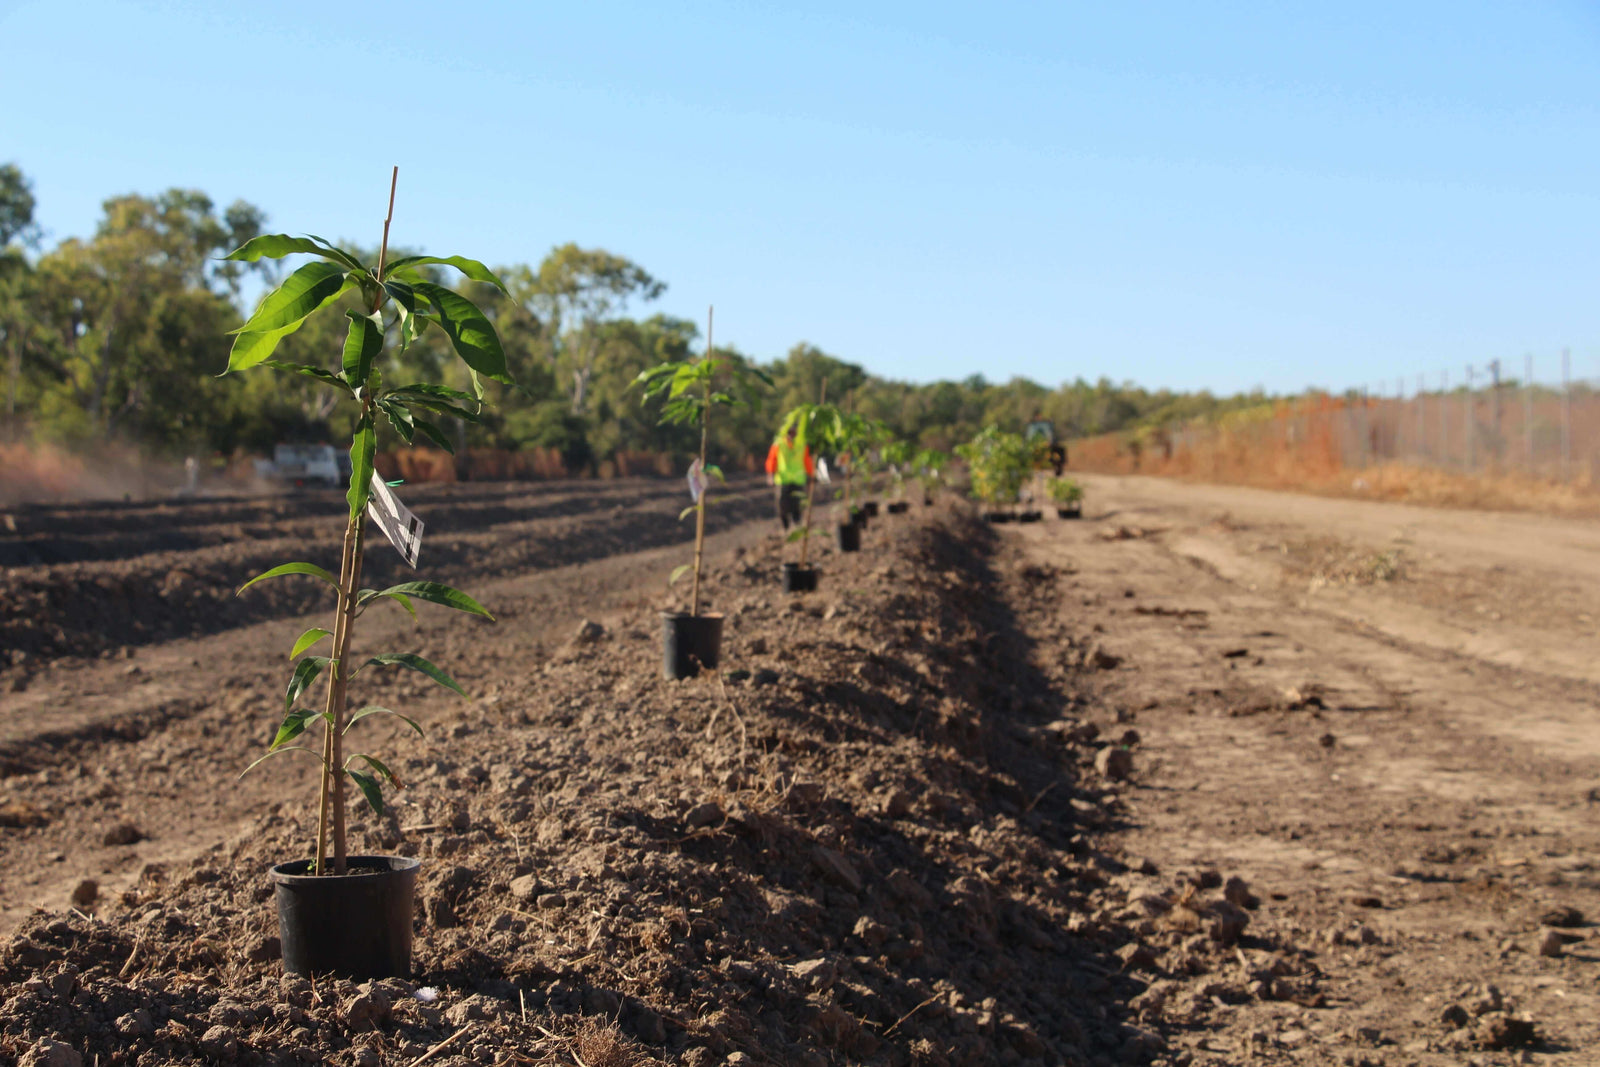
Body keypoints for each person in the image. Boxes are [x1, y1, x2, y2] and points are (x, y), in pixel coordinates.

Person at [765, 420, 814, 530]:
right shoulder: (778, 444)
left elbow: (807, 461)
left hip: (798, 479)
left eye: (794, 432)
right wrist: (770, 475)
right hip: (783, 479)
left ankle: (797, 525)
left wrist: (811, 475)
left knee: (797, 504)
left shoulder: (802, 444)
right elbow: (772, 460)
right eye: (790, 432)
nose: (792, 434)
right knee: (782, 505)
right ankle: (785, 525)